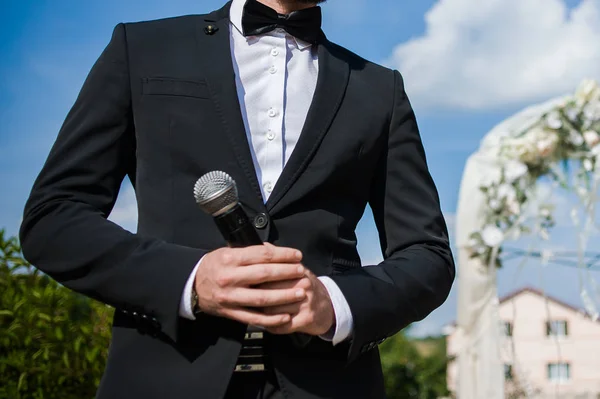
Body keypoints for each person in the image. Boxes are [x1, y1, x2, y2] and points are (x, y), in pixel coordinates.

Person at [19, 0, 455, 398]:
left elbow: (428, 255)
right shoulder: (141, 48)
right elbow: (53, 218)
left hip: (327, 384)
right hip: (164, 379)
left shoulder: (381, 89)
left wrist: (335, 303)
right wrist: (189, 278)